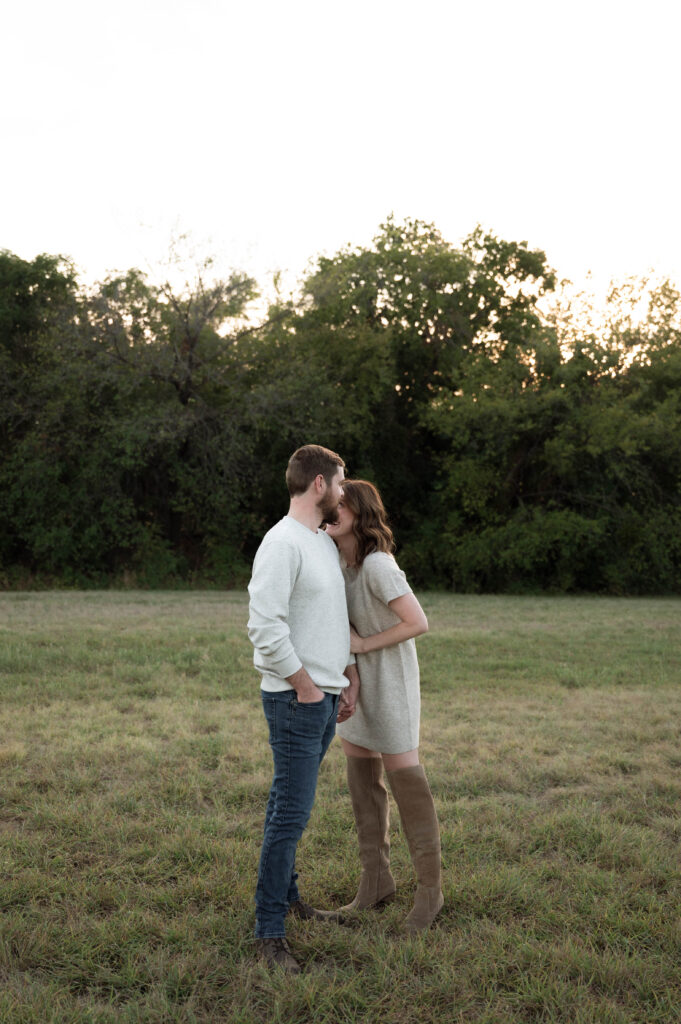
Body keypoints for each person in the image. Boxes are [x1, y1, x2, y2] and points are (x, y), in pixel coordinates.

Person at [247, 444, 360, 974]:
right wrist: (308, 688)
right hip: (296, 702)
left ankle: (288, 899)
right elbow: (265, 629)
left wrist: (346, 677)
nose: (344, 492)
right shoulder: (282, 543)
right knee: (290, 816)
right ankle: (269, 933)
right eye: (341, 482)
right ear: (319, 484)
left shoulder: (319, 541)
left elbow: (330, 619)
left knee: (285, 806)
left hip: (323, 696)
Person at [325, 479, 443, 933]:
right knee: (362, 778)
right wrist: (351, 671)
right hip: (357, 684)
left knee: (404, 779)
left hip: (391, 684)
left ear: (361, 513)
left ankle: (430, 893)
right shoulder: (339, 562)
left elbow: (418, 622)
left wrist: (363, 644)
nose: (331, 512)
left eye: (340, 506)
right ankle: (375, 881)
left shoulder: (378, 566)